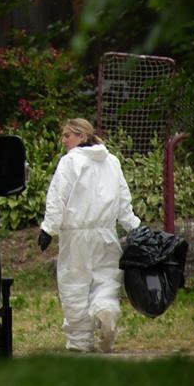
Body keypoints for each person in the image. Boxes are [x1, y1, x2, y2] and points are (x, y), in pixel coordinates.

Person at [37, 118, 141, 353]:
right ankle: (107, 310)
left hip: (76, 235)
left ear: (81, 136)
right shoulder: (112, 162)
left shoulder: (69, 162)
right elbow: (123, 200)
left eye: (67, 135)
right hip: (106, 234)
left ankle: (80, 341)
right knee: (106, 279)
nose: (63, 140)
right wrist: (134, 226)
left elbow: (58, 198)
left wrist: (48, 229)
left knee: (75, 285)